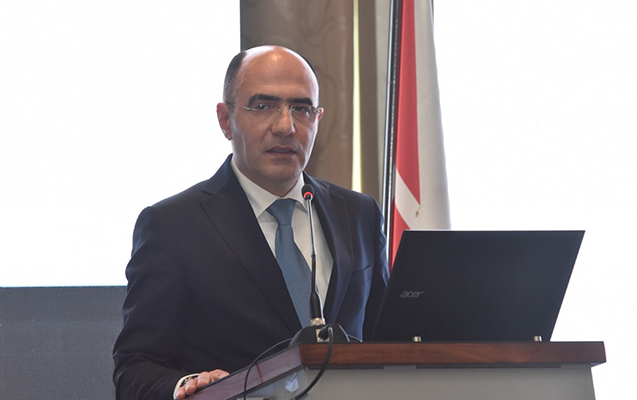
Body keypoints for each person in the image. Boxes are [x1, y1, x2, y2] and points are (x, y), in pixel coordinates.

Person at [112, 46, 389, 400]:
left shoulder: (359, 213)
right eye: (263, 107)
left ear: (317, 119)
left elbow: (388, 342)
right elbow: (136, 367)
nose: (286, 126)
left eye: (301, 109)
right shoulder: (172, 226)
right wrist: (188, 386)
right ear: (225, 120)